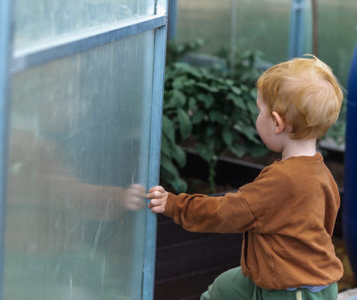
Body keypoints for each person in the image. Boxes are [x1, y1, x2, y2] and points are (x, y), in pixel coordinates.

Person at [147, 55, 344, 299]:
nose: (256, 118)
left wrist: (174, 205)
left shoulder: (281, 182)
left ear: (277, 122)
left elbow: (226, 212)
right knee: (223, 289)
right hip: (283, 276)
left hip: (293, 290)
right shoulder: (322, 173)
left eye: (259, 111)